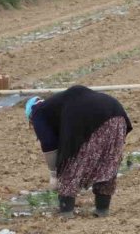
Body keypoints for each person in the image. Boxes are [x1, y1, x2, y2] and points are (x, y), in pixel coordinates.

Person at [25, 85, 133, 218]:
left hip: (91, 117)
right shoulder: (59, 103)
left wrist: (53, 173)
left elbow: (49, 144)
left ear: (29, 116)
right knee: (107, 164)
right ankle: (102, 209)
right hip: (117, 113)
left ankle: (66, 212)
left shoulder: (37, 112)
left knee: (70, 163)